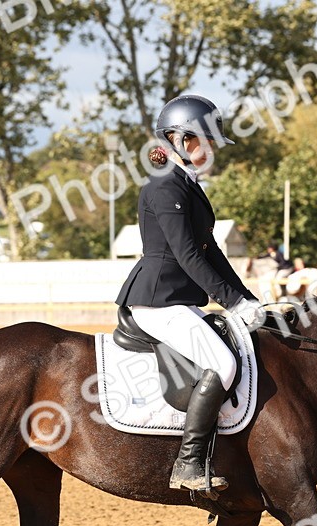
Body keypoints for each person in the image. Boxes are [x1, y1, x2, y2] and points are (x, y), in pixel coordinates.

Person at [114, 94, 263, 494]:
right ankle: (189, 463)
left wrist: (246, 298)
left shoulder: (186, 184)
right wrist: (231, 301)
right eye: (206, 141)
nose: (211, 149)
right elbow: (187, 255)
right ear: (180, 139)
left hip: (179, 299)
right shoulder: (164, 188)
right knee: (224, 363)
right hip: (158, 300)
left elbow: (211, 250)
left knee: (237, 348)